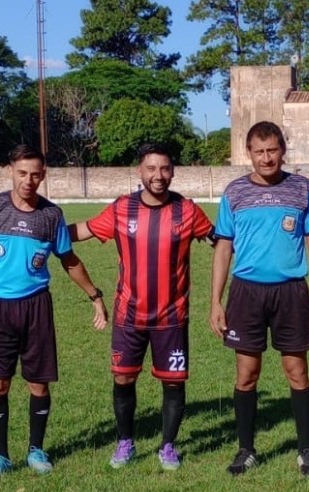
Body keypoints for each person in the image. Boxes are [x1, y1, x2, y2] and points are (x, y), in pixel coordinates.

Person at [0, 144, 109, 481]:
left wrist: (95, 296)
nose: (28, 180)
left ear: (44, 175)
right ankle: (0, 457)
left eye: (35, 175)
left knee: (38, 384)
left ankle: (36, 449)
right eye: (22, 173)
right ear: (9, 170)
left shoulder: (51, 216)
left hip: (36, 307)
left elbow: (70, 261)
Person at [69, 143, 215, 471]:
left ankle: (168, 446)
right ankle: (125, 441)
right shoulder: (122, 209)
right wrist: (45, 233)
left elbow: (217, 238)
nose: (158, 175)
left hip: (172, 317)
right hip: (129, 316)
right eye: (151, 168)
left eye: (164, 168)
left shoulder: (188, 211)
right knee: (123, 379)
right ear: (140, 171)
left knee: (173, 382)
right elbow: (85, 230)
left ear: (173, 171)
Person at [210, 121, 309, 477]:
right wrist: (216, 301)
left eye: (272, 150)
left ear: (283, 150)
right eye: (259, 151)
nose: (266, 158)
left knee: (297, 371)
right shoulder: (234, 192)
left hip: (291, 292)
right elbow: (223, 248)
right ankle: (246, 449)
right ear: (248, 153)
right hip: (246, 292)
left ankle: (306, 449)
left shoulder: (301, 189)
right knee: (247, 374)